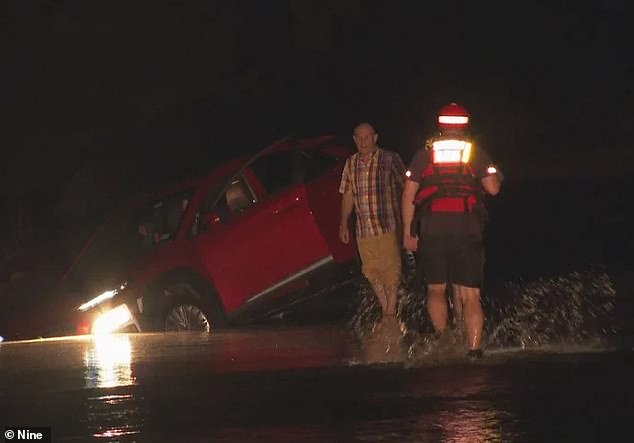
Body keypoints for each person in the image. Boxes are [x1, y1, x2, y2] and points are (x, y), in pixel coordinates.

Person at [401, 103, 503, 359]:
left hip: (433, 225)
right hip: (466, 225)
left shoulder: (425, 153)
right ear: (465, 124)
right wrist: (496, 173)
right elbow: (492, 189)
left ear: (441, 125)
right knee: (470, 294)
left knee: (435, 288)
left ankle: (443, 339)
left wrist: (407, 232)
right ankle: (474, 350)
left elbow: (408, 193)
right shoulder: (474, 151)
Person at [339, 122, 406, 332]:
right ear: (354, 140)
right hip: (364, 229)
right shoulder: (350, 163)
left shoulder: (390, 159)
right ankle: (386, 309)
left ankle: (390, 311)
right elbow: (348, 194)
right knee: (371, 271)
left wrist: (409, 222)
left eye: (367, 138)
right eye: (359, 138)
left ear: (375, 138)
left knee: (391, 269)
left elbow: (405, 188)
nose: (363, 142)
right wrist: (343, 223)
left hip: (388, 224)